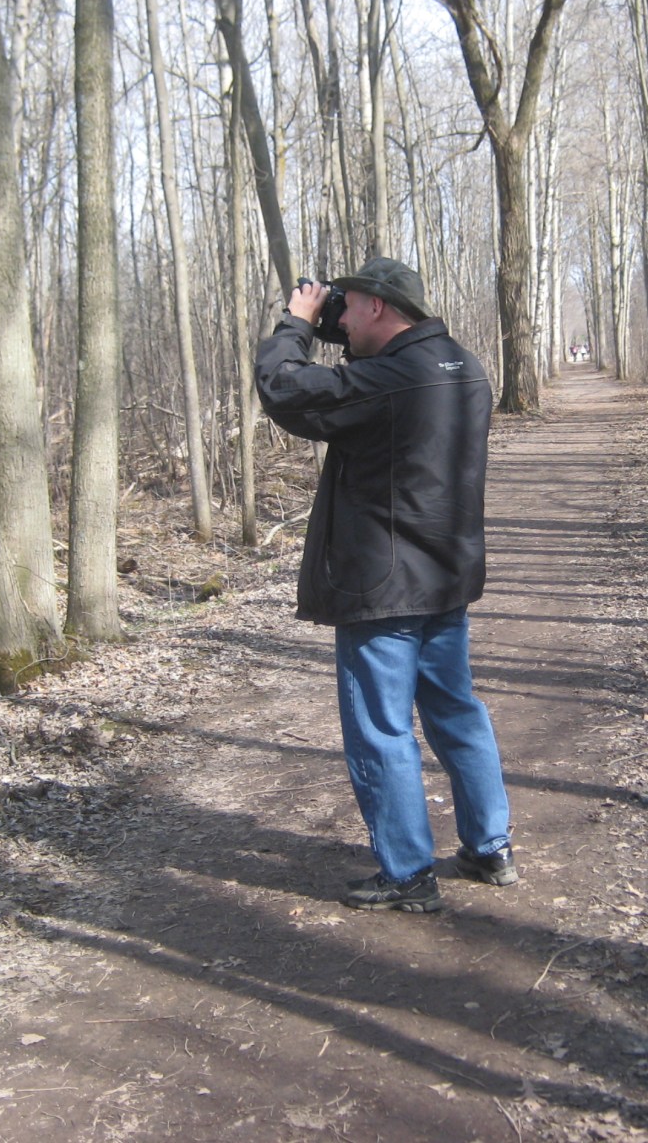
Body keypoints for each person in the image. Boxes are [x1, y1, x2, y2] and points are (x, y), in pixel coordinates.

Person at [254, 257, 517, 913]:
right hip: (444, 578)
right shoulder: (462, 367)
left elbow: (286, 390)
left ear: (377, 305)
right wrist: (334, 320)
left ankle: (407, 873)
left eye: (348, 307)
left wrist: (297, 323)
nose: (340, 319)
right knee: (456, 711)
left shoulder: (390, 380)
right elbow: (369, 362)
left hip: (383, 590)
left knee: (381, 728)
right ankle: (490, 846)